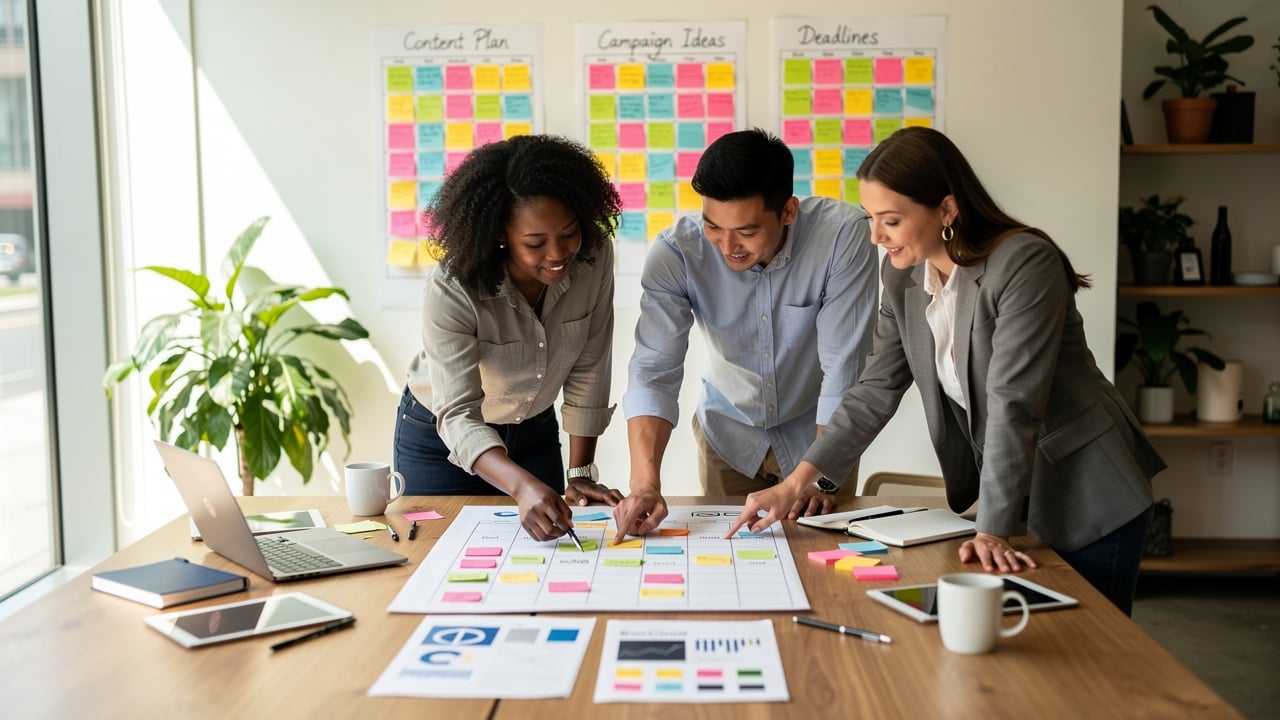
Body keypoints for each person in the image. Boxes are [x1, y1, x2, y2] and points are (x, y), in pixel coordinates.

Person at [725, 126, 1164, 615]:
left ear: (947, 210)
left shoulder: (1024, 264)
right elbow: (874, 388)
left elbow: (1012, 402)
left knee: (1095, 657)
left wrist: (992, 527)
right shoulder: (902, 275)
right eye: (871, 218)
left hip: (1089, 491)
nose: (875, 236)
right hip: (1015, 495)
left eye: (890, 220)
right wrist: (797, 482)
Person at [613, 128, 879, 541]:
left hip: (820, 436)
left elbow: (844, 370)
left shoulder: (842, 237)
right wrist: (644, 483)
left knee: (824, 569)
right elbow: (653, 370)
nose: (727, 246)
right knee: (732, 558)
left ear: (788, 211)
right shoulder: (675, 253)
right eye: (713, 226)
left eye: (748, 232)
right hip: (728, 435)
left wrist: (818, 478)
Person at [394, 134, 624, 541]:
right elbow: (459, 413)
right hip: (441, 439)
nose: (558, 254)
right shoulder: (453, 288)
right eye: (535, 243)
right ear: (501, 236)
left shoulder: (593, 256)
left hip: (533, 431)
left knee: (547, 557)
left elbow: (589, 364)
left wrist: (580, 471)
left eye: (568, 233)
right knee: (434, 561)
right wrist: (520, 486)